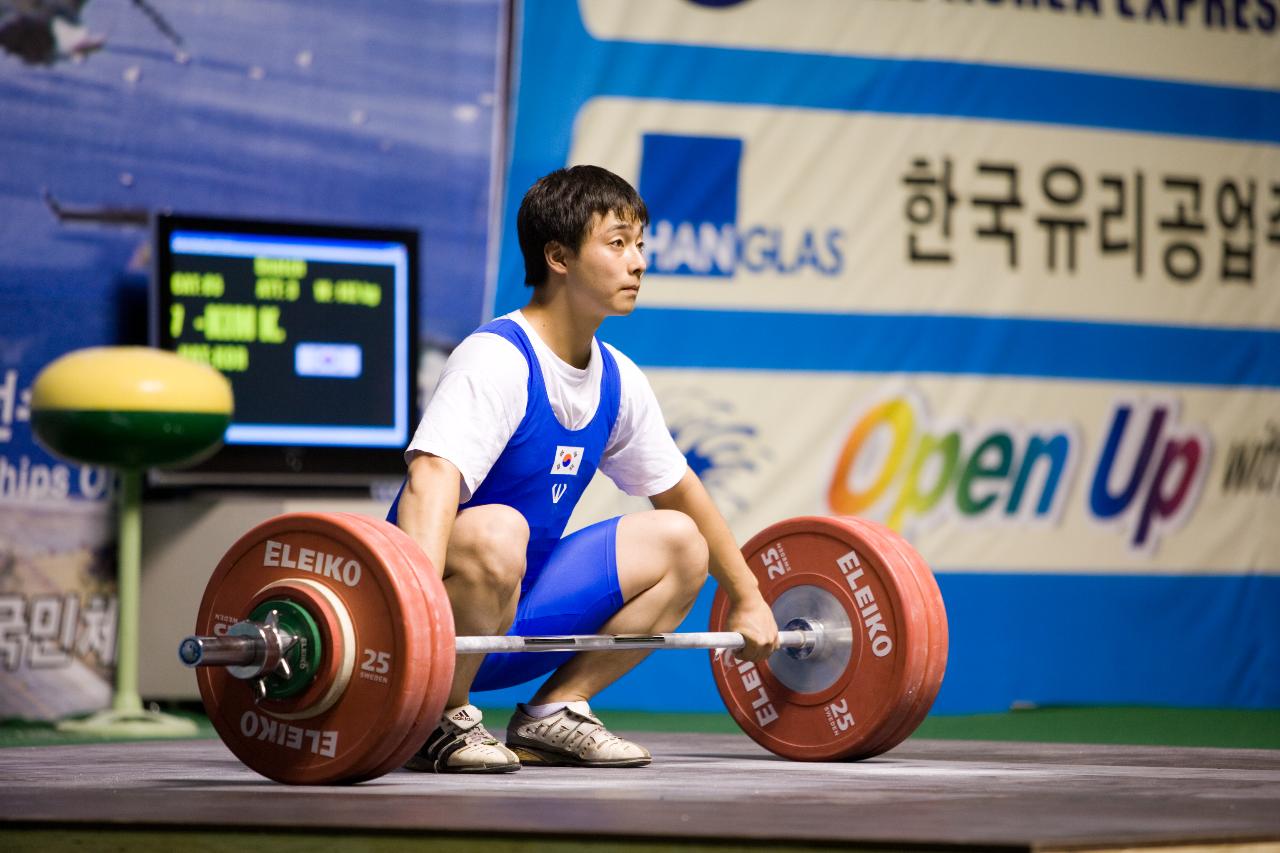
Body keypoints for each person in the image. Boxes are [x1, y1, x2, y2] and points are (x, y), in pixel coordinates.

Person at [388, 165, 778, 773]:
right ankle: (436, 717)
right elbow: (429, 483)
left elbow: (682, 494)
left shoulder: (618, 377)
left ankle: (554, 714)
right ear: (558, 256)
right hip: (433, 628)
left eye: (641, 244)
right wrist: (409, 617)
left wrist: (748, 599)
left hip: (520, 617)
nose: (639, 262)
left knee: (682, 543)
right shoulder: (495, 360)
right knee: (499, 529)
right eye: (618, 243)